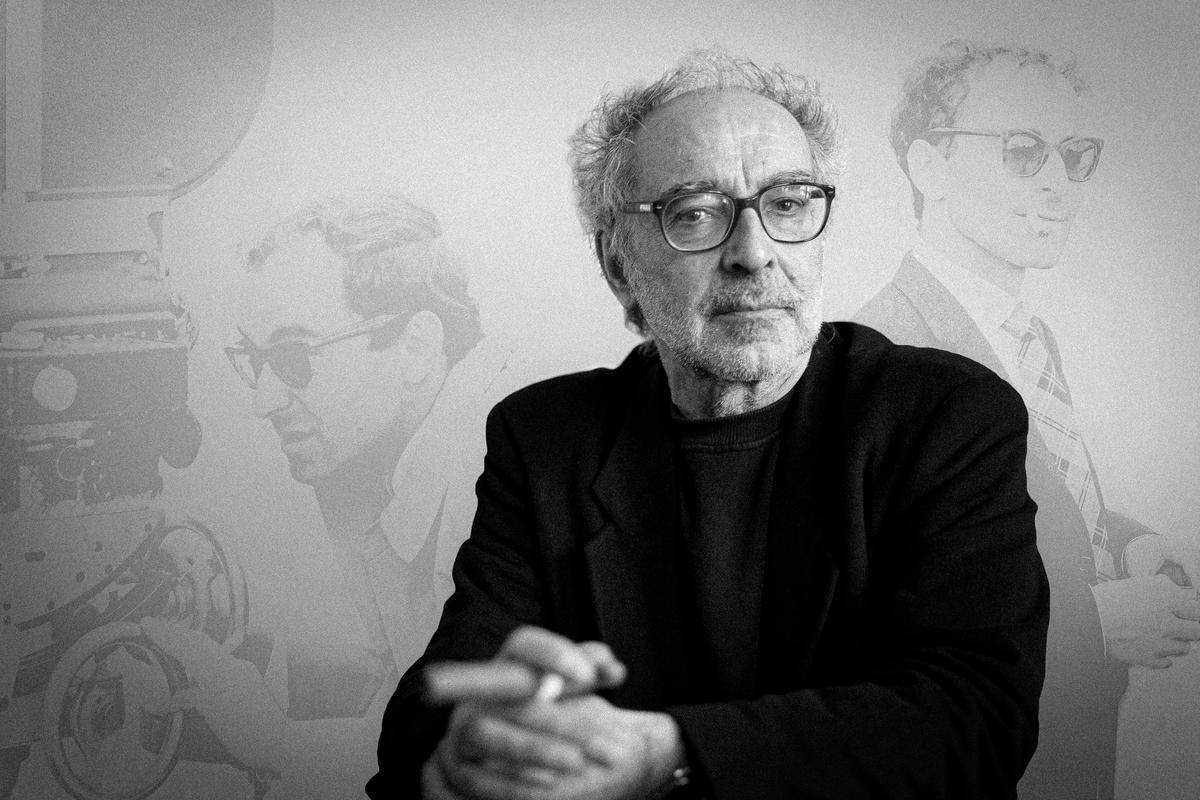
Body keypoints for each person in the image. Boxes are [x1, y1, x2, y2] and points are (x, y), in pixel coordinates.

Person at [369, 51, 1048, 800]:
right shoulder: (545, 438)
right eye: (694, 213)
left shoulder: (948, 416)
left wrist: (671, 753)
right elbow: (431, 718)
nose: (754, 254)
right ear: (620, 266)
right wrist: (475, 748)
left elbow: (972, 721)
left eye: (787, 204)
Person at [854, 40, 1200, 799]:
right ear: (929, 166)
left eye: (1075, 155)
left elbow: (1001, 513)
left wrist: (1121, 543)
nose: (1058, 184)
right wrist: (1091, 624)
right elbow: (870, 609)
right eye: (1022, 150)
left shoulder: (1027, 336)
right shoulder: (880, 355)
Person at [141, 193, 510, 798]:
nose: (264, 403)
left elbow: (487, 766)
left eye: (294, 357)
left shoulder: (498, 478)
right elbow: (413, 685)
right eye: (254, 360)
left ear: (417, 346)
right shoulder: (378, 462)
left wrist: (273, 740)